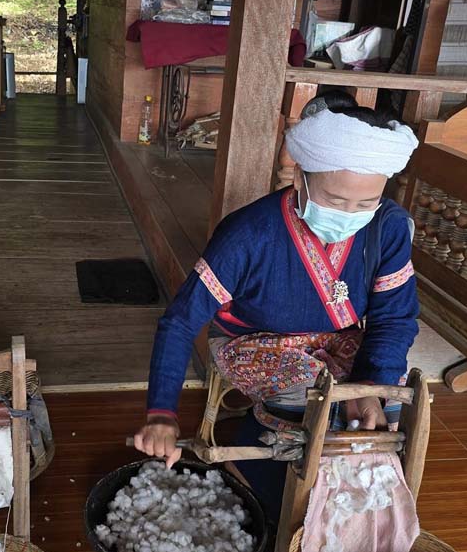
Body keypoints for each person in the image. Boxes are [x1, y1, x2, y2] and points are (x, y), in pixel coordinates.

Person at [133, 95, 420, 520]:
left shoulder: (389, 226)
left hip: (338, 340)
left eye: (365, 203)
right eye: (338, 201)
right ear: (300, 176)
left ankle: (350, 510)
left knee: (388, 407)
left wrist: (372, 387)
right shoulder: (247, 234)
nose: (352, 215)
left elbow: (395, 317)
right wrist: (161, 412)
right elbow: (179, 323)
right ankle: (274, 492)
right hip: (253, 342)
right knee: (305, 402)